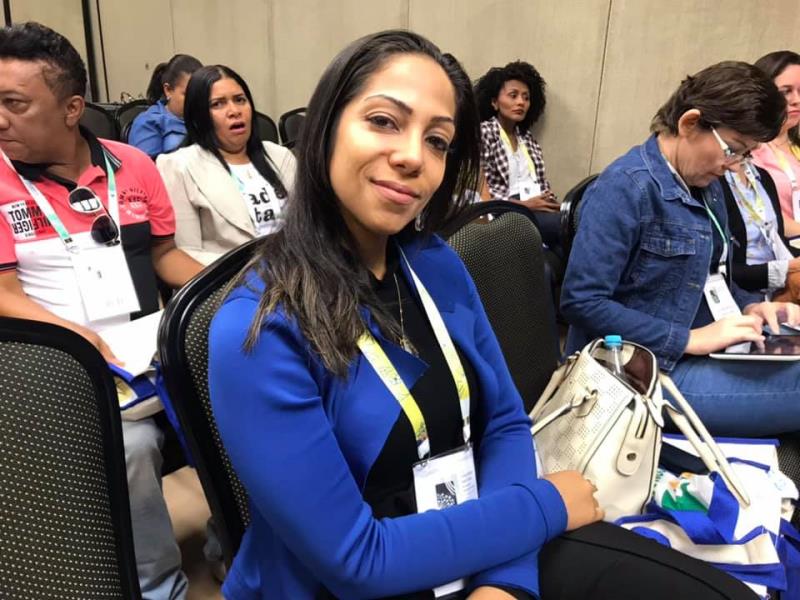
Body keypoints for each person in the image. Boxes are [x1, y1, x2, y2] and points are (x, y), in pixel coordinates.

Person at [208, 30, 756, 600]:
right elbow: (356, 559)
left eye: (437, 141)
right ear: (326, 127)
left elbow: (504, 424)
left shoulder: (434, 264)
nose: (413, 157)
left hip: (478, 539)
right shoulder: (258, 329)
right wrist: (543, 506)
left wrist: (504, 581)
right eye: (384, 121)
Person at [0, 22, 205, 598]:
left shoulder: (132, 165)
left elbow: (163, 254)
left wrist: (224, 289)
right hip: (65, 368)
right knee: (133, 448)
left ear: (72, 108)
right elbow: (4, 292)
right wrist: (77, 340)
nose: (0, 119)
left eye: (15, 104)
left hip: (148, 351)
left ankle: (239, 548)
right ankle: (158, 586)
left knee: (241, 399)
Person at [561, 60, 800, 437]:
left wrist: (751, 306)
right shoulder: (625, 188)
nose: (733, 166)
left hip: (695, 353)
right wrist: (689, 339)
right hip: (639, 375)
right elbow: (581, 301)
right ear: (690, 123)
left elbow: (712, 273)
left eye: (745, 156)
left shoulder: (708, 185)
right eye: (733, 150)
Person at [157, 65, 296, 265]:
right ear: (199, 116)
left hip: (296, 272)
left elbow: (307, 227)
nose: (234, 111)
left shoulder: (281, 156)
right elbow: (186, 254)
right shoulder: (178, 167)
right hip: (229, 279)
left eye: (240, 100)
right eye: (218, 104)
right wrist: (254, 273)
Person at [474, 61, 560, 249]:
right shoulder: (484, 133)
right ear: (494, 102)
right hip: (505, 214)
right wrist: (525, 205)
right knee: (566, 228)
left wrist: (549, 201)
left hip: (535, 210)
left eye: (526, 97)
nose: (520, 102)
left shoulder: (528, 140)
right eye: (513, 96)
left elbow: (542, 183)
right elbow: (481, 199)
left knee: (574, 221)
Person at [720, 162, 800, 302]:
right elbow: (719, 270)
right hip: (741, 294)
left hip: (778, 284)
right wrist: (786, 269)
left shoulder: (762, 175)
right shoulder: (712, 182)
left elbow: (776, 241)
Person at [751, 51, 800, 234]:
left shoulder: (796, 146)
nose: (797, 100)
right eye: (786, 92)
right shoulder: (749, 151)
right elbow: (763, 217)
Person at [128, 54, 202, 158]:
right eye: (188, 94)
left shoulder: (207, 118)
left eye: (200, 93)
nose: (195, 99)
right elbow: (149, 166)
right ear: (168, 90)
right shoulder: (148, 123)